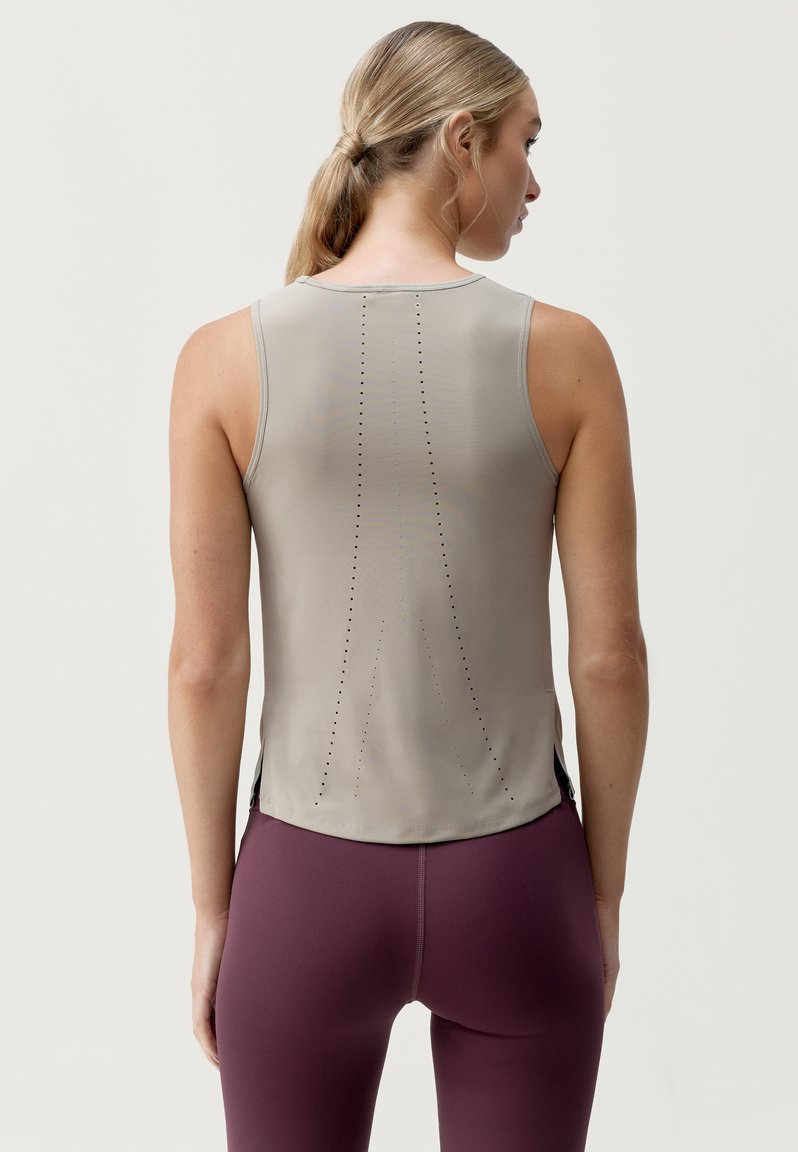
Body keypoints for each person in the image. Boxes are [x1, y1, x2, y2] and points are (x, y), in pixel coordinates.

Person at [168, 19, 648, 1152]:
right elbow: (608, 658)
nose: (536, 182)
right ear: (462, 140)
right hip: (517, 877)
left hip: (302, 885)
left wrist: (214, 909)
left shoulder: (222, 360)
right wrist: (600, 894)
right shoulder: (568, 354)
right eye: (528, 142)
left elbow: (205, 667)